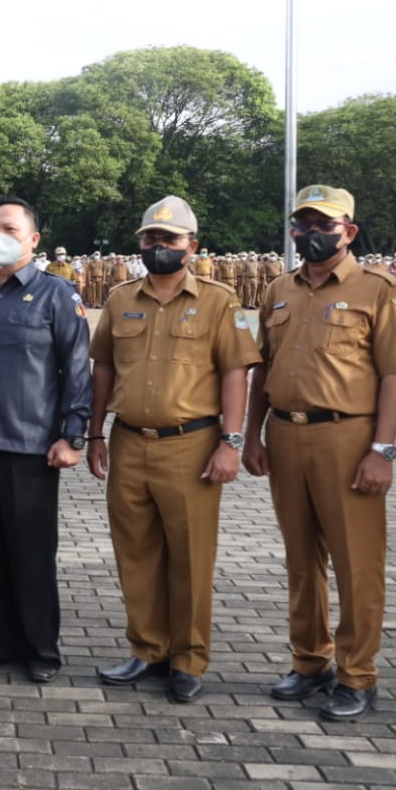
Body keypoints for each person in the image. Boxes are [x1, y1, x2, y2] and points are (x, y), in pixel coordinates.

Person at [241, 185, 396, 721]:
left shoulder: (379, 290)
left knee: (356, 563)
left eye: (324, 225)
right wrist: (251, 435)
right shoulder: (279, 288)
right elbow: (263, 370)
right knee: (301, 559)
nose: (311, 234)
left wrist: (382, 450)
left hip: (349, 438)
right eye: (303, 224)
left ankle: (357, 674)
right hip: (287, 435)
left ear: (349, 231)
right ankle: (309, 661)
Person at [87, 196, 260, 702]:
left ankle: (187, 657)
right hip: (129, 440)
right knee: (135, 551)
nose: (158, 247)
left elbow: (235, 371)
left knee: (189, 556)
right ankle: (147, 648)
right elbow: (103, 369)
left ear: (192, 246)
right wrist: (95, 433)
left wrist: (230, 442)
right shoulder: (120, 298)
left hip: (191, 444)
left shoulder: (218, 300)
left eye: (169, 239)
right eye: (150, 239)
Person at [0, 196, 90, 683]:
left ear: (33, 240)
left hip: (31, 446)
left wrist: (73, 434)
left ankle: (40, 649)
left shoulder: (57, 295)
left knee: (30, 551)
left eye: (8, 228)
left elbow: (77, 370)